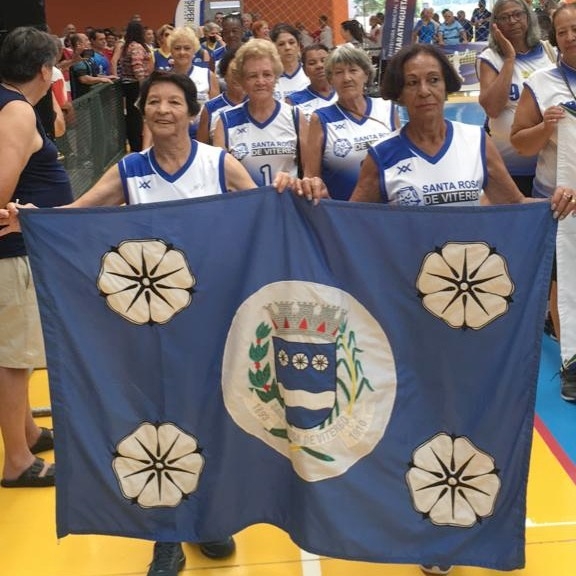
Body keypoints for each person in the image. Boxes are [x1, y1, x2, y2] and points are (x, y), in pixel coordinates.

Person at [0, 69, 296, 575]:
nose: (163, 110)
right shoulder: (131, 170)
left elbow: (266, 211)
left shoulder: (219, 164)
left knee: (213, 419)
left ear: (191, 112)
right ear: (142, 111)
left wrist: (291, 187)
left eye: (173, 102)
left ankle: (210, 518)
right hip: (149, 330)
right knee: (158, 427)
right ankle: (167, 532)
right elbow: (76, 215)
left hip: (213, 323)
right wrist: (31, 217)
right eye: (153, 101)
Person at [0, 26, 73, 489]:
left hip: (18, 253)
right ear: (45, 71)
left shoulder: (10, 104)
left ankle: (27, 431)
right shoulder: (17, 111)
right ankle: (18, 461)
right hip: (12, 254)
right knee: (12, 359)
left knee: (18, 353)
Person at [510, 2, 576, 402]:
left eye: (575, 28)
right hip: (557, 201)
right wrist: (545, 127)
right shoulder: (541, 82)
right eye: (562, 31)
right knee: (562, 281)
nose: (570, 36)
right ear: (554, 38)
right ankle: (572, 362)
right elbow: (519, 142)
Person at [477, 0, 556, 197]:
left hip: (548, 166)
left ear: (528, 17)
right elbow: (492, 108)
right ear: (496, 24)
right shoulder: (490, 58)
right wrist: (510, 58)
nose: (512, 21)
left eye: (517, 14)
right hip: (507, 168)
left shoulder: (549, 52)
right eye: (504, 17)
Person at [304, 44, 398, 201]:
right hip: (344, 211)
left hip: (388, 209)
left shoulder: (387, 108)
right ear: (330, 80)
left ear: (366, 75)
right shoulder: (320, 119)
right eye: (339, 72)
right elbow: (311, 177)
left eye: (353, 70)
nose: (346, 78)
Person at [213, 39, 308, 185]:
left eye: (267, 74)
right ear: (242, 80)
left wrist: (296, 184)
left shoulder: (294, 116)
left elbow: (309, 174)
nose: (260, 82)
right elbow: (220, 178)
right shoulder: (225, 122)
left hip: (288, 198)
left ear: (276, 77)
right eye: (252, 76)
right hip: (246, 199)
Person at [168, 26, 220, 138]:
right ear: (171, 50)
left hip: (203, 135)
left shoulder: (208, 75)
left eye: (187, 48)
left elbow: (216, 113)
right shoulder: (164, 79)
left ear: (194, 50)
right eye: (177, 48)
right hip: (172, 135)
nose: (182, 52)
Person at [196, 50, 246, 144]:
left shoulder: (257, 105)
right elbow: (202, 146)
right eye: (234, 72)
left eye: (242, 72)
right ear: (224, 74)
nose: (237, 77)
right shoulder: (210, 108)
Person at [119, 20, 154, 152]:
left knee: (132, 116)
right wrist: (143, 84)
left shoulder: (127, 46)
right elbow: (137, 66)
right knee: (137, 117)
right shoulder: (137, 47)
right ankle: (138, 145)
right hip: (135, 85)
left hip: (127, 84)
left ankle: (135, 144)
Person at [285, 43, 337, 121]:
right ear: (304, 70)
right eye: (312, 63)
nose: (319, 66)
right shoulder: (293, 101)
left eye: (324, 60)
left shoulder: (345, 92)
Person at [270, 24, 309, 100]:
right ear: (274, 48)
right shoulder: (269, 78)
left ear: (298, 46)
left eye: (291, 42)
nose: (287, 47)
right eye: (281, 44)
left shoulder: (309, 74)